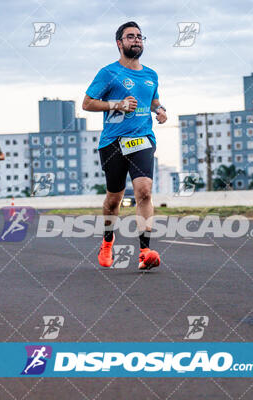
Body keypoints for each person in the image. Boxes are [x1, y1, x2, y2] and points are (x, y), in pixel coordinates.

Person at [83, 21, 167, 270]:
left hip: (142, 140)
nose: (137, 40)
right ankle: (107, 241)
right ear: (119, 43)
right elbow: (87, 103)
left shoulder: (151, 74)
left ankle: (145, 251)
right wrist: (116, 104)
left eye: (140, 36)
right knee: (113, 200)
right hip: (113, 143)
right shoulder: (108, 73)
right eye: (130, 37)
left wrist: (160, 110)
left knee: (144, 191)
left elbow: (153, 100)